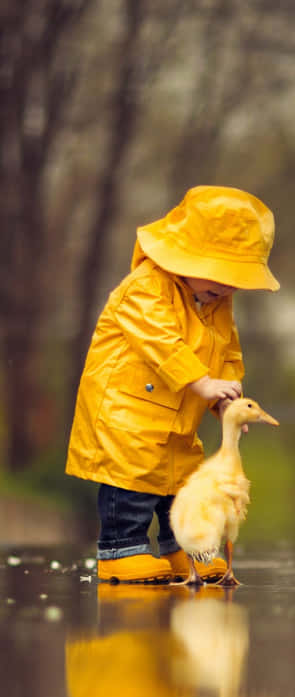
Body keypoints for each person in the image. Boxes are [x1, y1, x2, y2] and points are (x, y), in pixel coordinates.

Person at [66, 185, 280, 583]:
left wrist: (225, 398)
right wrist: (200, 381)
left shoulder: (214, 302)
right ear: (183, 257)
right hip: (127, 413)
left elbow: (229, 353)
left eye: (236, 281)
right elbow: (160, 340)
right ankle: (120, 550)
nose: (227, 289)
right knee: (131, 483)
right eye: (220, 277)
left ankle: (188, 548)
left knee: (185, 487)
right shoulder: (144, 287)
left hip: (179, 417)